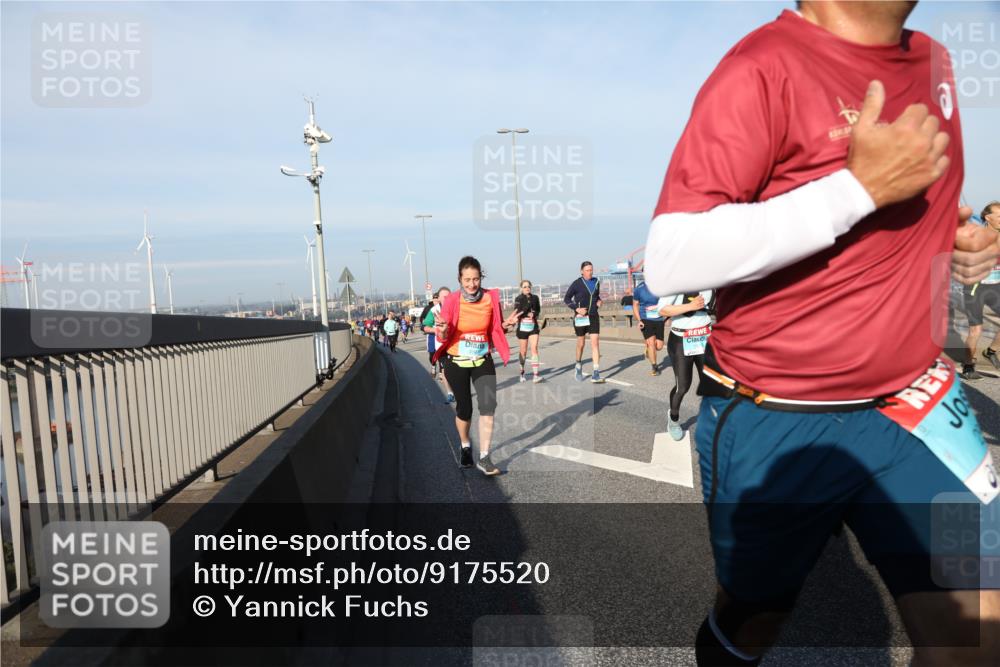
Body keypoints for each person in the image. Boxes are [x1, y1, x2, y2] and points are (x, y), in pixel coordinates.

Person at [642, 3, 999, 665]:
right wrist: (856, 188)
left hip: (915, 405)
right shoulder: (763, 67)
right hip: (780, 415)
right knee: (754, 621)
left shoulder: (935, 62)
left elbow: (911, 203)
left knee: (976, 635)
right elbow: (671, 256)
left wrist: (962, 235)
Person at [433, 256, 512, 475]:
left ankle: (485, 457)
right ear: (460, 278)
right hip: (457, 361)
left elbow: (494, 329)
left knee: (488, 407)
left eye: (475, 279)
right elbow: (444, 332)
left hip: (482, 359)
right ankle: (465, 444)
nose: (471, 284)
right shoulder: (452, 301)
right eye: (467, 279)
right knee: (464, 409)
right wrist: (443, 328)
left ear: (481, 278)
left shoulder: (490, 298)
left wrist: (504, 326)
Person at [658, 290, 713, 440]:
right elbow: (662, 309)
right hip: (681, 340)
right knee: (682, 386)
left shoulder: (710, 281)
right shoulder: (677, 282)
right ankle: (673, 419)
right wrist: (690, 306)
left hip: (705, 337)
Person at [960, 201, 1000, 379]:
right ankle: (968, 365)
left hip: (996, 285)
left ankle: (991, 352)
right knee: (976, 330)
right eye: (998, 216)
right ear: (987, 217)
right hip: (976, 286)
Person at [563, 261, 605, 383]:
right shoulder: (577, 284)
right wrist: (577, 309)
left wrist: (599, 301)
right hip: (580, 317)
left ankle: (596, 373)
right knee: (581, 343)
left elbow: (596, 296)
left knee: (595, 343)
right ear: (582, 271)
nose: (590, 272)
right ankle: (578, 365)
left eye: (591, 270)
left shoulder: (596, 282)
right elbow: (566, 298)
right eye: (587, 270)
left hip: (593, 315)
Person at [505, 279, 543, 383]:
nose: (527, 288)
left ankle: (536, 375)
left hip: (533, 326)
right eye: (525, 287)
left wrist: (534, 314)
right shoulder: (519, 298)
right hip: (522, 327)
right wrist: (526, 313)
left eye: (528, 286)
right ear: (521, 288)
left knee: (534, 348)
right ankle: (522, 372)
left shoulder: (535, 298)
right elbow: (517, 311)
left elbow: (538, 310)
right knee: (523, 351)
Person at [423, 288, 454, 403]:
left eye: (448, 296)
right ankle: (450, 393)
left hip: (455, 345)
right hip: (441, 346)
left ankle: (458, 390)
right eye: (443, 296)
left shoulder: (457, 308)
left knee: (457, 370)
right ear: (439, 298)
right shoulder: (434, 310)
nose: (446, 299)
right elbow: (425, 327)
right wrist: (436, 330)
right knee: (445, 370)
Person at [633, 279, 670, 376]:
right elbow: (635, 304)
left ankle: (648, 349)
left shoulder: (660, 286)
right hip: (645, 319)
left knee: (659, 346)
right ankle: (655, 367)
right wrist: (639, 320)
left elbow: (667, 302)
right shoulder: (639, 289)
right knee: (651, 344)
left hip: (659, 319)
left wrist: (667, 316)